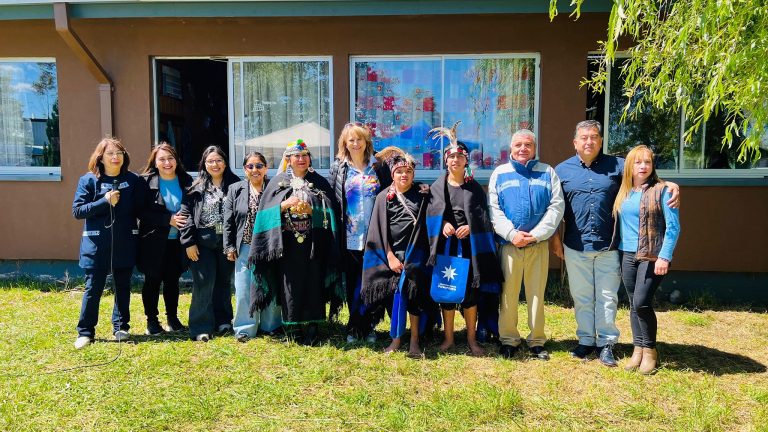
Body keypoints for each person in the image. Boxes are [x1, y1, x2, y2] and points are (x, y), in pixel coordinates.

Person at [551, 120, 679, 367]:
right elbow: (556, 208)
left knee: (608, 297)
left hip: (610, 246)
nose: (589, 141)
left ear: (600, 141)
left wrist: (670, 185)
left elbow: (646, 179)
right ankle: (586, 341)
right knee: (582, 296)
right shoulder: (561, 170)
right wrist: (555, 240)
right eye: (584, 137)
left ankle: (606, 343)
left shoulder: (619, 166)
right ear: (575, 142)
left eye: (594, 137)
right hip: (575, 245)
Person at [248, 139, 341, 346]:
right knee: (289, 284)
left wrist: (312, 210)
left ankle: (314, 327)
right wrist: (283, 205)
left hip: (313, 244)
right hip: (286, 245)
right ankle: (293, 327)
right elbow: (264, 214)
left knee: (313, 282)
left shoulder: (320, 182)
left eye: (305, 155)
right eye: (296, 156)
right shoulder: (277, 182)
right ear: (288, 159)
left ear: (309, 159)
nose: (301, 159)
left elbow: (331, 213)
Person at [426, 124, 503, 356]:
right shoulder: (437, 187)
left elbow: (484, 218)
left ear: (466, 161)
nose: (455, 161)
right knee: (447, 292)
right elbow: (431, 214)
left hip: (470, 249)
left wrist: (471, 227)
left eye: (460, 157)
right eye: (451, 157)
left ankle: (471, 339)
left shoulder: (475, 189)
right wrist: (443, 225)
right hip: (446, 248)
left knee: (470, 294)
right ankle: (448, 338)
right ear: (446, 161)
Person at [489, 129, 564, 360]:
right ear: (510, 149)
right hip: (510, 246)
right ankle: (509, 340)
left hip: (537, 246)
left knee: (536, 295)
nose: (523, 149)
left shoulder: (547, 172)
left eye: (528, 145)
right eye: (518, 145)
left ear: (534, 148)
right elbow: (494, 209)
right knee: (508, 295)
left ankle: (537, 341)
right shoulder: (500, 173)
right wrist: (512, 235)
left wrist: (537, 234)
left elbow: (556, 206)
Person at [361, 153, 435, 358]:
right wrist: (390, 256)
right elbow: (377, 231)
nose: (404, 175)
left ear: (413, 174)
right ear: (392, 175)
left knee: (415, 298)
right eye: (399, 172)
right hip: (394, 256)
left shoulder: (423, 194)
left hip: (417, 255)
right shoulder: (383, 197)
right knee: (396, 298)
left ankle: (414, 341)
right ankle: (396, 339)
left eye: (408, 171)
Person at [615, 145, 680, 374]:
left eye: (648, 162)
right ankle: (638, 349)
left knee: (642, 302)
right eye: (638, 162)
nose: (643, 167)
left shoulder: (662, 191)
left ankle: (650, 350)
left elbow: (673, 227)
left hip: (652, 255)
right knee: (634, 304)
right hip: (627, 254)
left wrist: (665, 256)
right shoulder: (623, 191)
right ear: (629, 166)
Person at [72, 137, 142, 349]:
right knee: (93, 288)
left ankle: (121, 326)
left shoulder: (133, 180)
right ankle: (85, 332)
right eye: (110, 153)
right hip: (96, 245)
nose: (115, 157)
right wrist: (104, 201)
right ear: (100, 157)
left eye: (119, 153)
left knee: (123, 286)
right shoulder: (88, 180)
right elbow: (77, 211)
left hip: (124, 243)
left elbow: (141, 208)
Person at [327, 122, 392, 344]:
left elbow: (390, 195)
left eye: (359, 139)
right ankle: (355, 326)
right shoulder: (339, 168)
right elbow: (333, 201)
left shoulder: (379, 167)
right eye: (351, 140)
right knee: (354, 281)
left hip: (375, 236)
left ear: (367, 142)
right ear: (345, 143)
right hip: (350, 236)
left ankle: (370, 325)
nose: (355, 144)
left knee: (372, 281)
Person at [179, 145, 240, 342]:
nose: (215, 164)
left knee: (223, 282)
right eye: (210, 161)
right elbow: (186, 215)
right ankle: (200, 327)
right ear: (204, 164)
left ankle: (223, 321)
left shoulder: (235, 184)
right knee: (204, 282)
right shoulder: (196, 187)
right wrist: (188, 243)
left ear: (225, 162)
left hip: (227, 241)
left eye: (218, 160)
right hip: (202, 241)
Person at [224, 151, 282, 342]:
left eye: (259, 166)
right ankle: (244, 328)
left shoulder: (274, 187)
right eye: (250, 166)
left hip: (269, 246)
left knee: (270, 286)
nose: (255, 170)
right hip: (245, 247)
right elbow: (228, 222)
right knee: (243, 289)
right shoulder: (235, 189)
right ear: (244, 169)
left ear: (266, 168)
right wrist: (229, 246)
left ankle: (271, 326)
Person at [137, 143, 193, 335]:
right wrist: (167, 220)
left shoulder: (186, 181)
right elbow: (140, 212)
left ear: (176, 160)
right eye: (162, 159)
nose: (167, 163)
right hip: (153, 241)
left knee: (172, 280)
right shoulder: (145, 182)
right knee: (152, 281)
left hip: (177, 241)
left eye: (170, 158)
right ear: (155, 162)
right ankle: (152, 321)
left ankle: (172, 318)